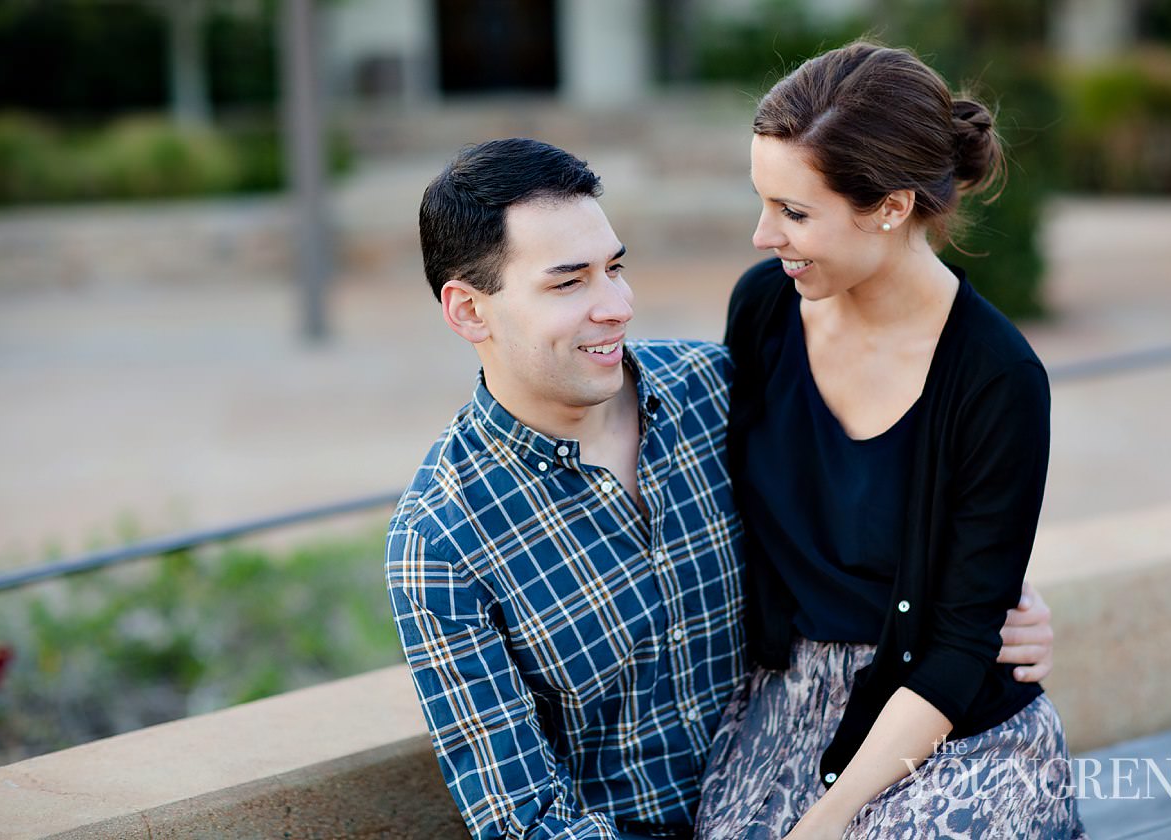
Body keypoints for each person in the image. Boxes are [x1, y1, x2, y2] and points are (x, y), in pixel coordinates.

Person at [386, 137, 1055, 840]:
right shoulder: (442, 542)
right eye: (567, 283)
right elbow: (527, 819)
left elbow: (878, 520)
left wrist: (993, 605)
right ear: (467, 311)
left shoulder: (715, 391)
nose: (616, 306)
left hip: (803, 781)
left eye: (615, 268)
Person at [694, 43, 1087, 839]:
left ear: (892, 206)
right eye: (763, 200)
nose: (763, 234)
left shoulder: (997, 378)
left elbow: (957, 645)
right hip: (784, 708)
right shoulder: (764, 310)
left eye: (794, 212)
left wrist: (831, 817)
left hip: (949, 726)